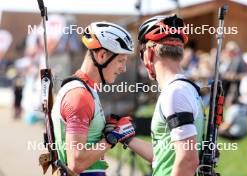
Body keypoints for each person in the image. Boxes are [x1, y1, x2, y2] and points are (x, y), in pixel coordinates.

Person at [109, 14, 205, 176]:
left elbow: (187, 161)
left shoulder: (175, 93)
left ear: (148, 54)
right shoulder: (184, 89)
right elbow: (163, 157)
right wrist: (126, 138)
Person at [51, 22, 136, 175]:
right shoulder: (80, 95)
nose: (124, 69)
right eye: (121, 61)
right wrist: (112, 138)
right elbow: (76, 162)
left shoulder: (85, 89)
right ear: (102, 55)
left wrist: (106, 132)